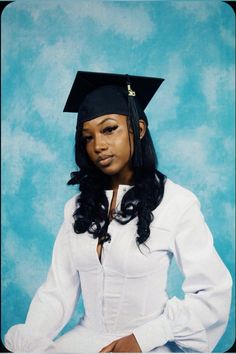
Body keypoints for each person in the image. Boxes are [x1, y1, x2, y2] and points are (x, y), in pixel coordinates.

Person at [4, 71, 232, 353]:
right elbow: (57, 292)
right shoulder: (77, 208)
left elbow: (213, 292)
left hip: (146, 343)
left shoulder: (177, 202)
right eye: (88, 137)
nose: (98, 145)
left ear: (139, 128)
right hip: (82, 340)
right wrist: (31, 341)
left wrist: (145, 338)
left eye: (109, 129)